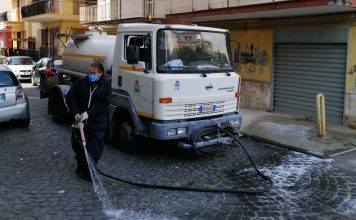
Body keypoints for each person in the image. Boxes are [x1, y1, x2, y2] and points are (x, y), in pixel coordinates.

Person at [66, 61, 112, 181]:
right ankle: (81, 168)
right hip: (80, 124)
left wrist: (88, 113)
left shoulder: (105, 85)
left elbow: (104, 103)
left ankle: (89, 172)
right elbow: (71, 97)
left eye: (93, 73)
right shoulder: (82, 83)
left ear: (100, 73)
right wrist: (76, 113)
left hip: (97, 124)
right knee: (78, 146)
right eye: (89, 72)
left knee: (94, 149)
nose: (90, 75)